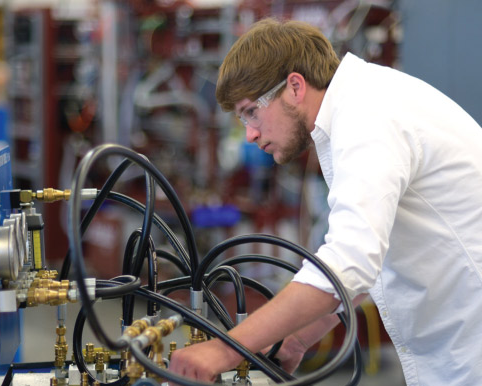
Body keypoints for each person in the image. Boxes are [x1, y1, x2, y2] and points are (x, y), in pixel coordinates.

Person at [169, 18, 482, 386]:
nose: (250, 133)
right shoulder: (363, 102)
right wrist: (297, 337)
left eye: (251, 112)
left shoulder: (367, 116)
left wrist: (224, 350)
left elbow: (349, 261)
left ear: (295, 87)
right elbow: (367, 261)